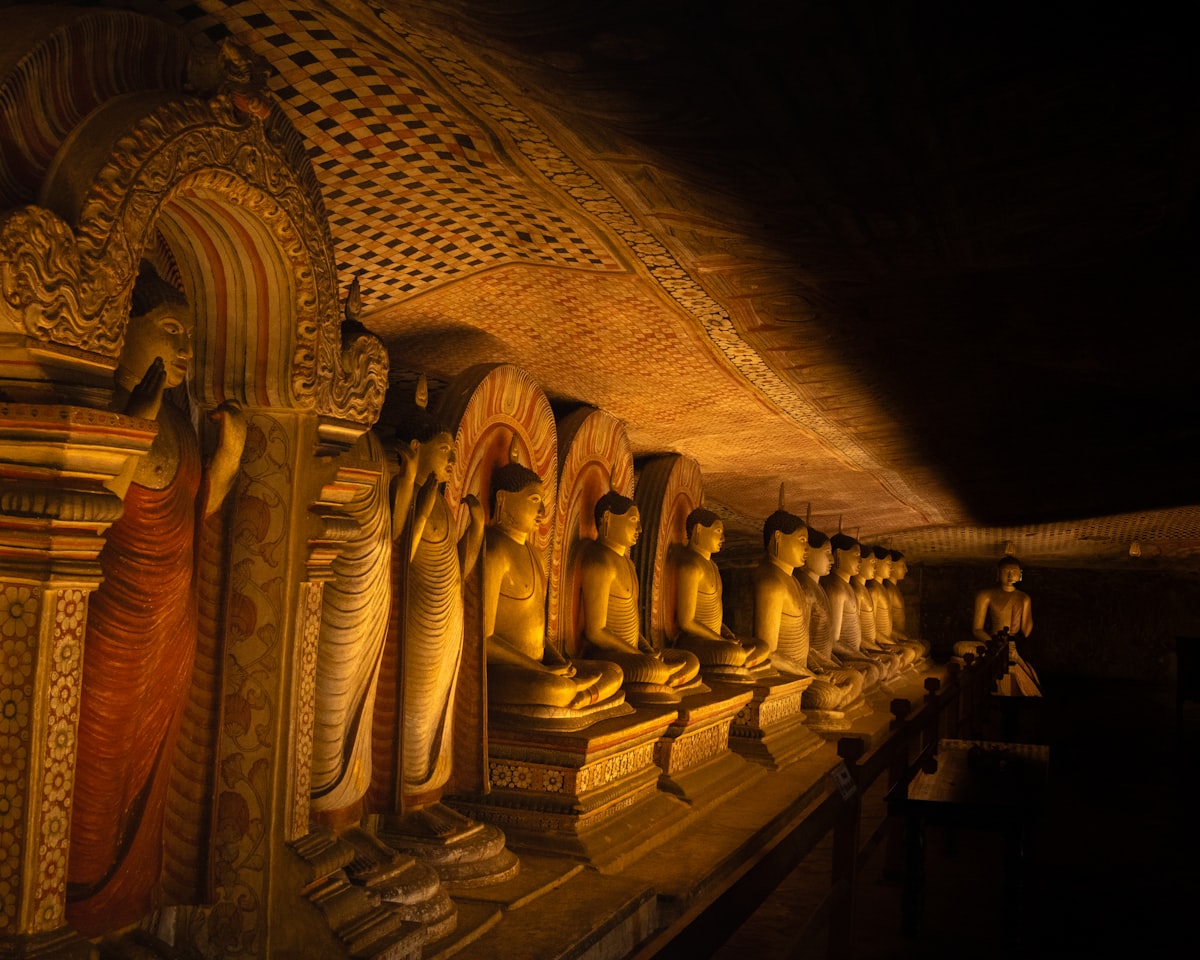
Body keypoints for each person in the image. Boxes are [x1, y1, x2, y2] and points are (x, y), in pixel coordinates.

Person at [68, 262, 245, 934]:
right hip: (109, 622)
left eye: (192, 337)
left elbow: (193, 517)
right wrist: (125, 436)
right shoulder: (106, 408)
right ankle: (68, 910)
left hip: (173, 623)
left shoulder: (174, 417)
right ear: (122, 327)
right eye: (173, 330)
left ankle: (123, 911)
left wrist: (226, 460)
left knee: (144, 775)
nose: (188, 350)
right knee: (92, 767)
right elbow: (82, 522)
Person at [482, 460, 625, 719]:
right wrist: (542, 672)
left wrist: (558, 663)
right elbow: (484, 638)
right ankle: (569, 697)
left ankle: (574, 697)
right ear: (503, 499)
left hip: (539, 666)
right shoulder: (493, 550)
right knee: (552, 688)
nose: (542, 510)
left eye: (543, 501)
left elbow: (537, 631)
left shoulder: (535, 555)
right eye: (534, 499)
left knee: (613, 671)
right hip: (503, 670)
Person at [577, 492, 700, 703]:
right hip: (608, 655)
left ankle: (659, 677)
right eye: (633, 520)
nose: (640, 529)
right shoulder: (599, 561)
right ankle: (658, 679)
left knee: (690, 660)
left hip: (632, 652)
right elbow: (596, 632)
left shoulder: (628, 564)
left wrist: (646, 649)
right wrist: (638, 655)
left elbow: (633, 624)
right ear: (607, 519)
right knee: (649, 669)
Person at [752, 510, 856, 715]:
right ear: (778, 538)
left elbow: (805, 643)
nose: (806, 548)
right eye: (801, 540)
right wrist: (811, 675)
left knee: (854, 677)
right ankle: (833, 704)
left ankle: (835, 703)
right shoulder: (770, 581)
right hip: (782, 672)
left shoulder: (794, 582)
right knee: (828, 695)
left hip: (803, 669)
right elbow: (769, 653)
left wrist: (816, 668)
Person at [671, 508, 771, 682]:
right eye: (718, 532)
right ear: (699, 530)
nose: (723, 539)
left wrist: (728, 636)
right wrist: (721, 641)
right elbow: (686, 621)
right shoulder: (691, 566)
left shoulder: (713, 567)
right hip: (695, 641)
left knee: (762, 646)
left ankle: (738, 660)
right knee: (731, 652)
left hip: (715, 639)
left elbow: (715, 616)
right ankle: (738, 661)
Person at [797, 528, 866, 704]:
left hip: (822, 661)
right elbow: (805, 645)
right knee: (851, 682)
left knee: (859, 676)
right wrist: (819, 669)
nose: (832, 559)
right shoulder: (804, 588)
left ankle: (842, 697)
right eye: (827, 553)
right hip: (808, 663)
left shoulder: (819, 587)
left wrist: (836, 665)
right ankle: (840, 699)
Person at [956, 556, 1041, 696]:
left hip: (1010, 646)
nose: (1009, 575)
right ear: (997, 573)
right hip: (990, 643)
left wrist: (1024, 604)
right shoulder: (986, 595)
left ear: (1020, 574)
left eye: (1014, 571)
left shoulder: (1023, 597)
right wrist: (993, 643)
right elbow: (977, 629)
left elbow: (1026, 631)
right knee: (960, 647)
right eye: (1005, 571)